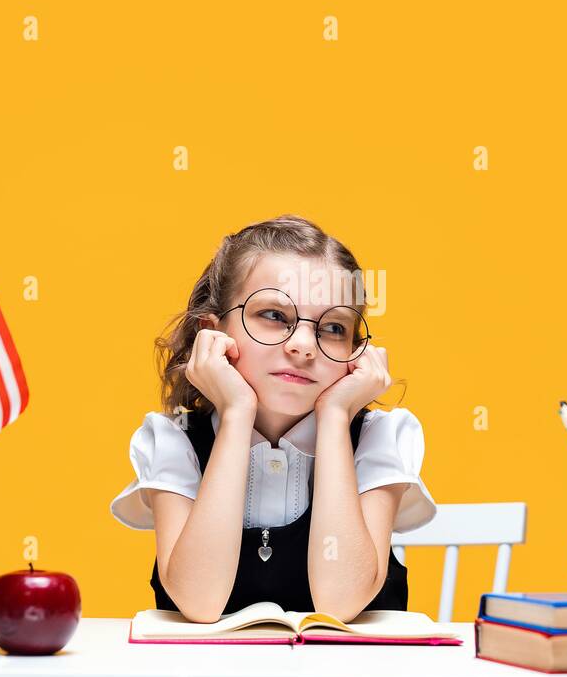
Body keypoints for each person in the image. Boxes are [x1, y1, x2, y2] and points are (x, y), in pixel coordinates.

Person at [109, 215, 437, 623]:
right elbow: (199, 600)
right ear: (213, 333)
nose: (303, 346)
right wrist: (235, 415)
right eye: (274, 316)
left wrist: (335, 416)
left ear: (356, 351)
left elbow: (340, 602)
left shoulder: (379, 437)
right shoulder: (173, 441)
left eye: (333, 327)